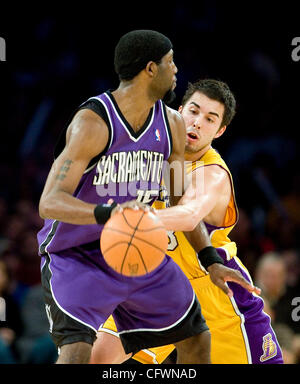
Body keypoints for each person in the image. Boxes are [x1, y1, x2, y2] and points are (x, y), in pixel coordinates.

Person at [37, 31, 258, 364]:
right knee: (80, 354)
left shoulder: (172, 128)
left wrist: (210, 258)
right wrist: (109, 215)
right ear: (150, 69)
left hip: (139, 255)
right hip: (78, 254)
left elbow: (179, 205)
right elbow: (49, 203)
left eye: (210, 118)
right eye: (170, 62)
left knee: (197, 340)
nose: (176, 69)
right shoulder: (93, 123)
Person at [91, 79, 283, 364]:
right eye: (193, 111)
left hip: (213, 290)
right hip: (155, 284)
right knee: (97, 358)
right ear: (179, 111)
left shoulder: (213, 174)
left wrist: (135, 219)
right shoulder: (150, 153)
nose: (196, 123)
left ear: (220, 131)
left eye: (209, 119)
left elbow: (190, 213)